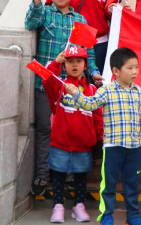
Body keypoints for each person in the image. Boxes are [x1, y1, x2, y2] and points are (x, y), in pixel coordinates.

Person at [25, 0, 102, 196]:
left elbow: (88, 53)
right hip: (46, 83)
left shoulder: (80, 21)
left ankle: (70, 174)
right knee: (44, 129)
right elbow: (30, 22)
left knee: (72, 129)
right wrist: (37, 0)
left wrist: (94, 72)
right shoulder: (45, 12)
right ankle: (42, 174)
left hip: (72, 88)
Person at [66, 47, 141, 225]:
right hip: (113, 147)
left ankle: (133, 217)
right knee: (108, 184)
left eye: (136, 67)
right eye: (130, 68)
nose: (135, 71)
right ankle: (106, 215)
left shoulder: (138, 91)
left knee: (132, 184)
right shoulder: (106, 90)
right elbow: (90, 104)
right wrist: (76, 93)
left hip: (134, 148)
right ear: (116, 71)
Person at [41, 44, 104, 223]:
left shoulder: (92, 90)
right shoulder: (59, 86)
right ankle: (58, 206)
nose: (74, 65)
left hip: (83, 144)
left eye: (79, 61)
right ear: (64, 65)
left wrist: (102, 137)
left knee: (81, 176)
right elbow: (47, 79)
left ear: (85, 65)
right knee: (58, 175)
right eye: (70, 62)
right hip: (60, 142)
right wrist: (55, 63)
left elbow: (98, 118)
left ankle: (79, 206)